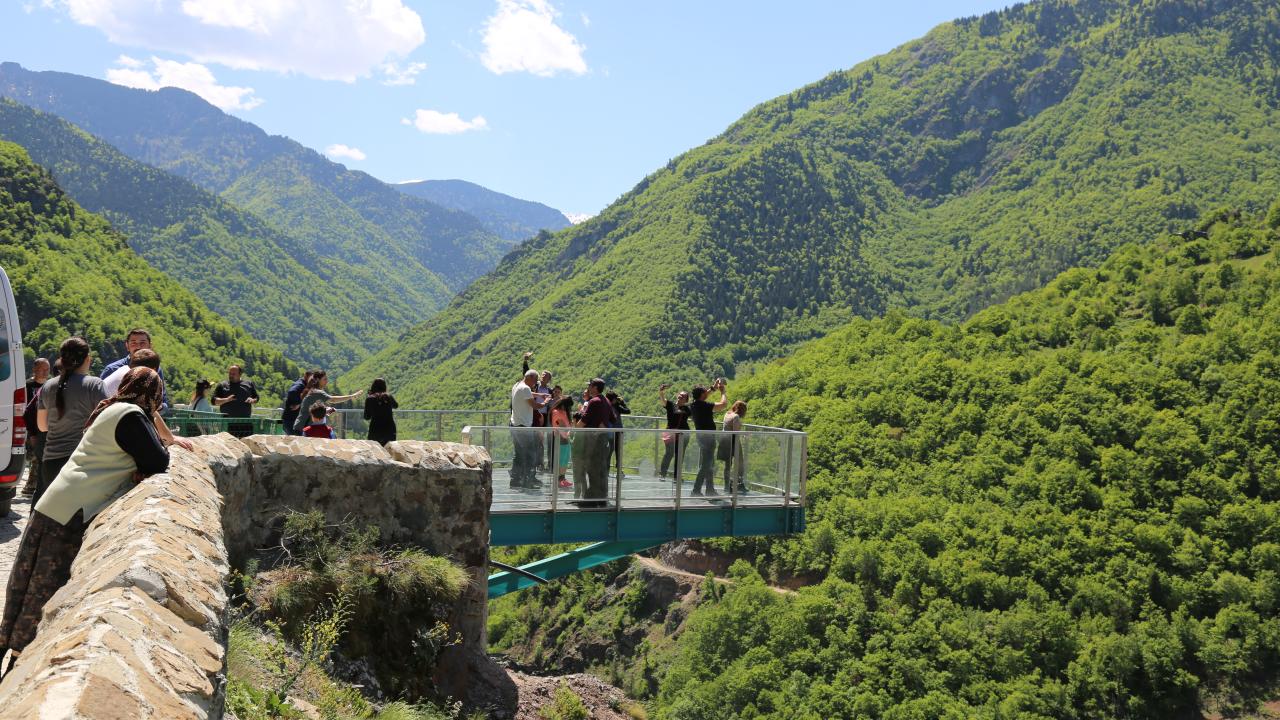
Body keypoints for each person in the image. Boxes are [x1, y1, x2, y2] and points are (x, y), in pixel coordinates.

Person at [0, 367, 171, 671]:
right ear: (154, 394)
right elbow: (158, 459)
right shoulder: (131, 415)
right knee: (45, 589)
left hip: (56, 501)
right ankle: (19, 665)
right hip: (75, 510)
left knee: (23, 585)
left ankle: (6, 649)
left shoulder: (111, 408)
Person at [35, 338, 107, 504]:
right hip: (82, 462)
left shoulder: (47, 386)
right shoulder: (94, 385)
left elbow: (42, 426)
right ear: (88, 358)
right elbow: (108, 422)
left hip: (50, 463)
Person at [99, 328, 169, 412]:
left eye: (142, 343)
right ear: (127, 346)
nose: (138, 347)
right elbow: (98, 399)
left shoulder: (155, 369)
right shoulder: (112, 369)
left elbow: (164, 403)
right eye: (133, 343)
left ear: (150, 346)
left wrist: (157, 407)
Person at [579, 378, 616, 506]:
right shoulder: (606, 400)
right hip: (603, 439)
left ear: (595, 388)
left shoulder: (593, 401)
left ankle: (590, 500)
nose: (589, 388)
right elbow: (613, 418)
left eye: (590, 386)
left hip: (593, 440)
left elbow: (583, 420)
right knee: (601, 470)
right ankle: (602, 498)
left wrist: (573, 430)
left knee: (592, 468)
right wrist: (604, 425)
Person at [689, 379, 729, 496]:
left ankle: (710, 489)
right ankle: (696, 490)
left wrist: (713, 387)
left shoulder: (694, 404)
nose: (707, 393)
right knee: (706, 464)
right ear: (702, 395)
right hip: (708, 437)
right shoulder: (704, 405)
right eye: (705, 392)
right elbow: (723, 405)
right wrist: (722, 392)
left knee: (708, 462)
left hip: (701, 436)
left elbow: (704, 395)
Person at [291, 370, 362, 435]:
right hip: (303, 429)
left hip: (302, 427)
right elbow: (333, 400)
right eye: (324, 379)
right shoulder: (317, 392)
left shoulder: (313, 390)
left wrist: (325, 410)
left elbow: (311, 408)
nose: (327, 381)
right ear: (318, 380)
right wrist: (352, 396)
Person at [20, 359, 50, 497]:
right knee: (25, 456)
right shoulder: (27, 385)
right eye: (42, 369)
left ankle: (30, 487)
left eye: (47, 369)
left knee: (38, 457)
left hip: (41, 427)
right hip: (26, 426)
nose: (45, 372)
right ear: (34, 370)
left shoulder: (50, 386)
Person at [509, 370, 543, 490]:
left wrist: (539, 395)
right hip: (524, 426)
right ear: (531, 378)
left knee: (518, 454)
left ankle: (515, 480)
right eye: (535, 380)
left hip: (514, 424)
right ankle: (528, 480)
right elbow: (535, 406)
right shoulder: (526, 389)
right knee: (530, 454)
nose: (535, 383)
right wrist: (545, 402)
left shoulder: (517, 385)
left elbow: (527, 394)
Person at [213, 365, 260, 438]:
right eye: (230, 373)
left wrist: (252, 400)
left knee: (246, 446)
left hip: (245, 424)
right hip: (227, 424)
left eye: (233, 374)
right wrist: (226, 399)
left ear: (240, 374)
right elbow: (214, 401)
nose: (231, 375)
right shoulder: (222, 385)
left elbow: (256, 397)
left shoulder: (248, 384)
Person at [658, 384, 691, 479]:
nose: (680, 396)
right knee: (669, 453)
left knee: (679, 455)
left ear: (686, 400)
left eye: (683, 396)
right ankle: (662, 474)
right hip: (671, 434)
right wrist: (661, 392)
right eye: (680, 395)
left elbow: (696, 415)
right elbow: (663, 401)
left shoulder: (687, 409)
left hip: (683, 434)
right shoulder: (670, 405)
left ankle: (677, 476)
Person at [720, 400, 748, 494]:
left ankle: (726, 486)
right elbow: (736, 432)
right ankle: (739, 484)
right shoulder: (736, 416)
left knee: (727, 465)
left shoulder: (727, 414)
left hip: (724, 440)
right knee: (740, 463)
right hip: (733, 441)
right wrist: (745, 434)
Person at [363, 378, 399, 445]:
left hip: (375, 430)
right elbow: (396, 406)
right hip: (390, 430)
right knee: (389, 452)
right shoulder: (388, 396)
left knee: (375, 453)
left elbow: (367, 417)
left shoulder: (369, 399)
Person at [281, 370, 314, 436]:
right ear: (306, 376)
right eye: (311, 378)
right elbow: (292, 392)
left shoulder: (306, 385)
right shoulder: (300, 384)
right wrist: (298, 403)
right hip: (291, 421)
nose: (313, 380)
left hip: (295, 421)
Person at [605, 391, 630, 477]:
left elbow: (628, 411)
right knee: (616, 452)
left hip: (611, 431)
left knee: (609, 451)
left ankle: (607, 471)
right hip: (616, 431)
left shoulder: (607, 406)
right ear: (614, 399)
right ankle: (618, 471)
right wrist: (623, 403)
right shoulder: (616, 407)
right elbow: (628, 411)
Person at [550, 396, 573, 489]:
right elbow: (559, 426)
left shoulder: (563, 412)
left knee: (565, 459)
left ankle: (562, 478)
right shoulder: (556, 412)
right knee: (561, 460)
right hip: (561, 439)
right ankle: (559, 479)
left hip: (566, 439)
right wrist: (567, 435)